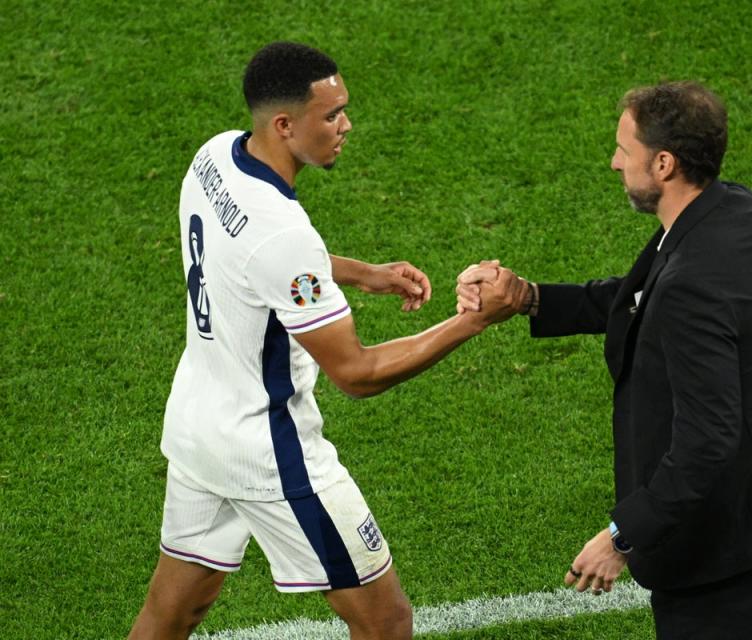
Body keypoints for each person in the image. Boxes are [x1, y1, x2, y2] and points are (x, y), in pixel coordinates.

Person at [128, 42, 512, 640]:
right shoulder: (282, 235)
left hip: (198, 429)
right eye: (331, 115)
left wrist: (365, 274)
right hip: (271, 454)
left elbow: (251, 259)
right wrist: (472, 322)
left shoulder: (214, 159)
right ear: (285, 125)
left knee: (172, 613)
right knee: (386, 622)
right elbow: (356, 374)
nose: (345, 125)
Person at [457, 82, 752, 639]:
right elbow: (641, 296)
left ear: (664, 163)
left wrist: (624, 535)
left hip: (723, 550)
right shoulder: (741, 213)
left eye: (625, 149)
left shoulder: (690, 285)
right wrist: (530, 298)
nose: (614, 162)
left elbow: (707, 439)